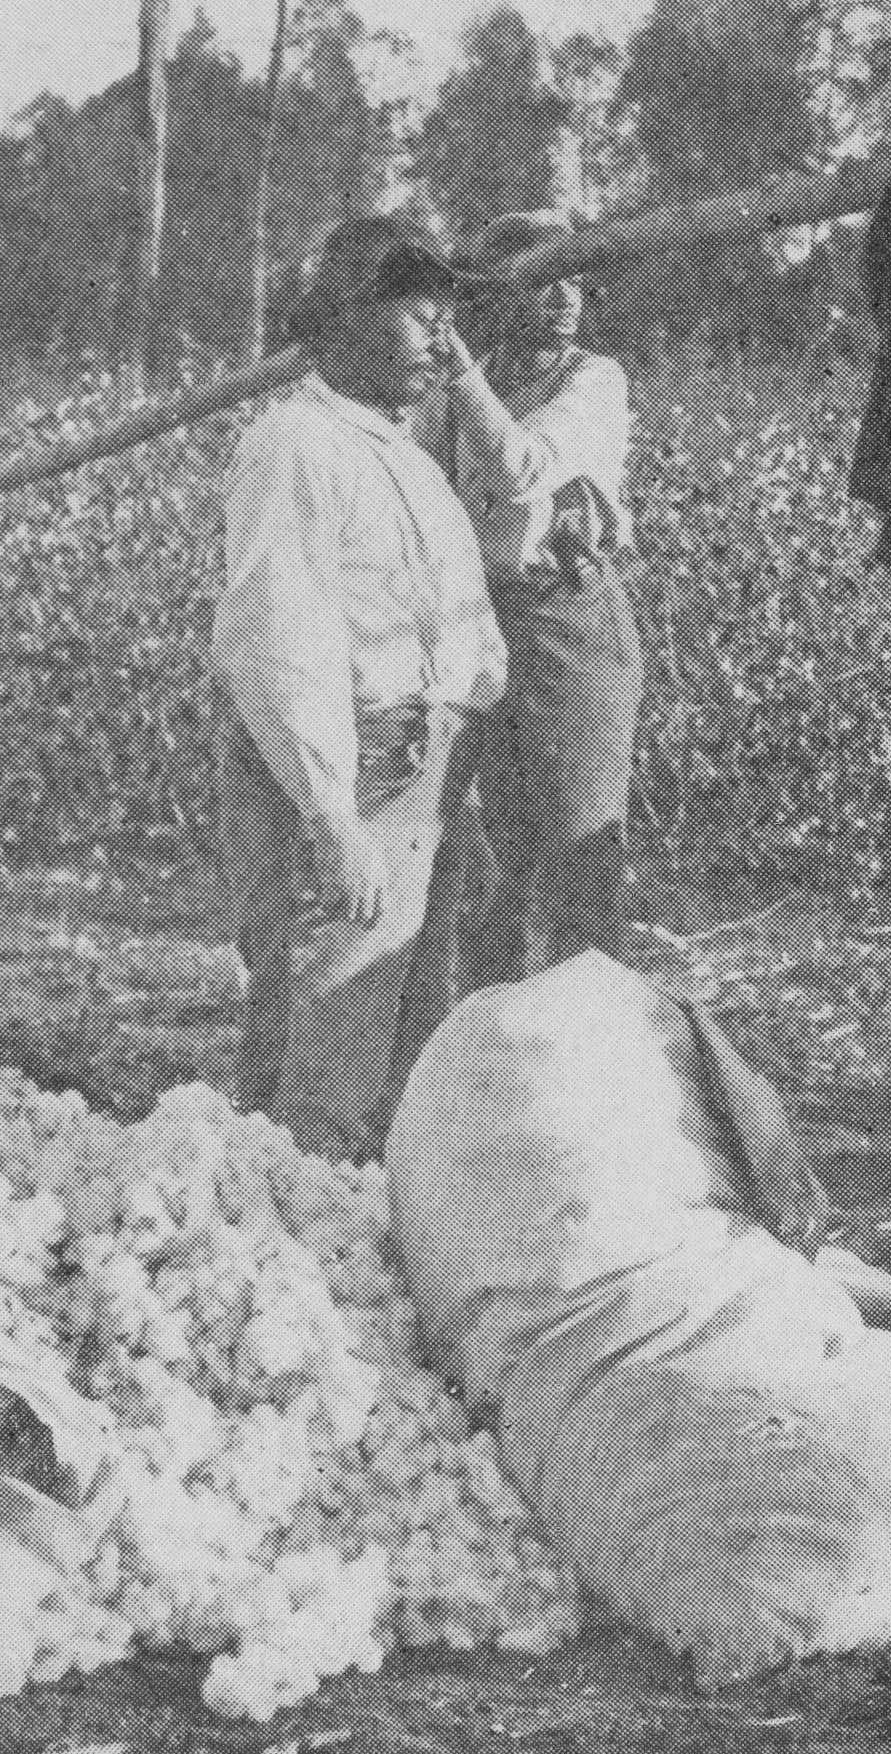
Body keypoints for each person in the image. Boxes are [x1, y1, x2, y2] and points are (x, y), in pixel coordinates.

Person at [209, 222, 509, 1162]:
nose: (443, 344)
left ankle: (355, 1243)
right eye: (421, 317)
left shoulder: (404, 458)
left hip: (424, 764)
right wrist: (331, 814)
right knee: (325, 1036)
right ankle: (288, 1241)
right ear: (346, 321)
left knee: (404, 1039)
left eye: (449, 320)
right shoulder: (295, 443)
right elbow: (279, 634)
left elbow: (460, 634)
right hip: (351, 762)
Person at [410, 209, 643, 983]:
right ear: (498, 297)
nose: (564, 298)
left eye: (575, 280)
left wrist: (460, 370)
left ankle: (589, 1068)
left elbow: (521, 466)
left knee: (579, 853)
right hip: (487, 623)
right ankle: (498, 1063)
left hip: (570, 618)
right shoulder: (458, 395)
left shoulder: (593, 380)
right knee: (500, 861)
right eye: (543, 281)